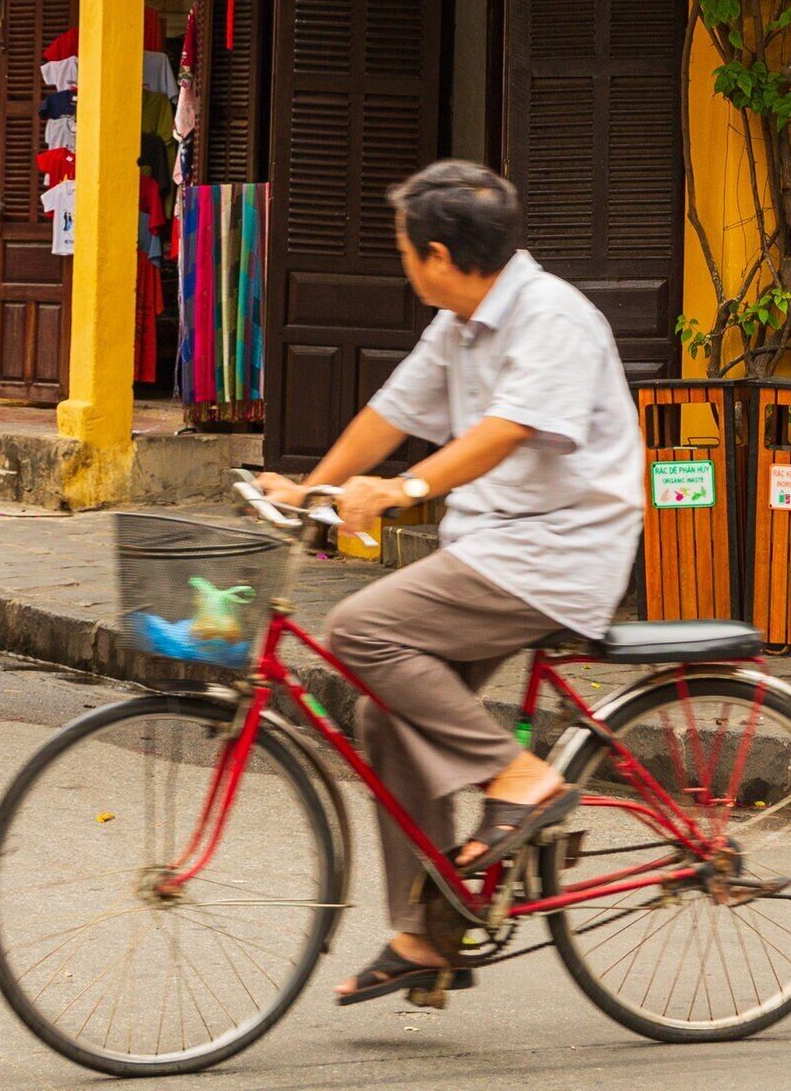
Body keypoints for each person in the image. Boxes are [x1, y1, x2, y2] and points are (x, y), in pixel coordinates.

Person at [254, 159, 642, 1008]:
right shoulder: (458, 320)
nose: (401, 261)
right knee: (380, 713)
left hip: (559, 554)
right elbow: (390, 414)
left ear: (435, 253)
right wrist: (313, 487)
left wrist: (403, 490)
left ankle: (522, 782)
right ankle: (428, 935)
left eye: (402, 248)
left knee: (360, 630)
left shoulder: (553, 320)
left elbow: (503, 434)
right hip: (493, 548)